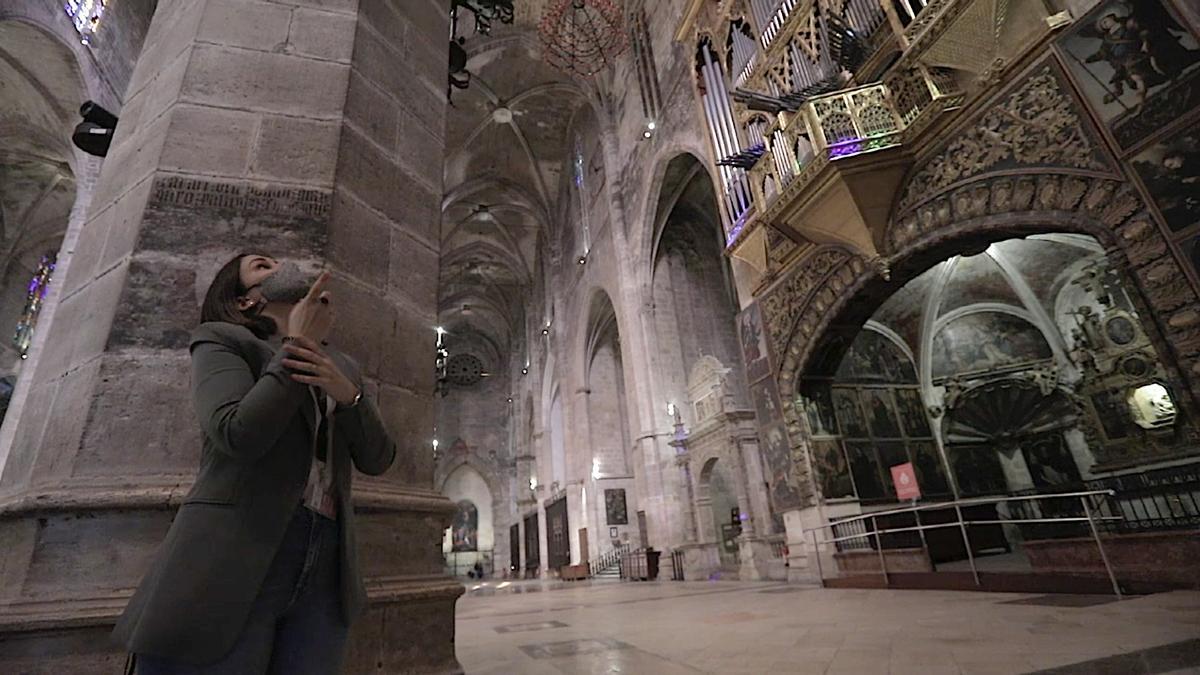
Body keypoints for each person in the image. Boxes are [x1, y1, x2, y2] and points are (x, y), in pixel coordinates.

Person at [113, 254, 397, 674]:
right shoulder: (222, 340)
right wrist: (295, 348)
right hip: (239, 549)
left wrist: (349, 397)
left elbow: (378, 459)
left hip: (326, 554)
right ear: (246, 301)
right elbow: (235, 433)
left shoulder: (341, 365)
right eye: (263, 266)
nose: (281, 265)